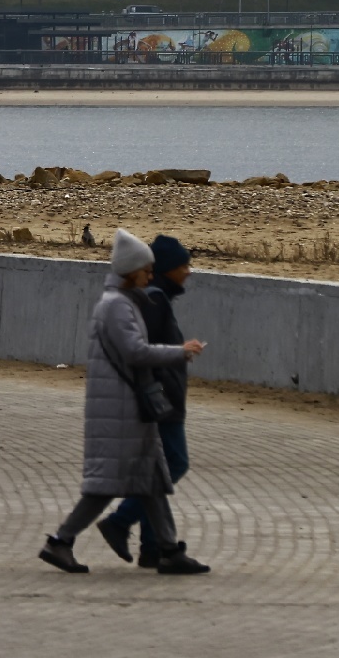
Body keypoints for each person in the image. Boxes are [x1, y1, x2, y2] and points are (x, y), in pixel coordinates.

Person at [38, 229, 210, 577]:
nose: (151, 275)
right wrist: (180, 352)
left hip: (126, 407)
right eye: (146, 270)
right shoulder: (116, 306)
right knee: (105, 488)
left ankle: (168, 549)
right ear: (132, 271)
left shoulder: (122, 303)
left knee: (152, 477)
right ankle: (61, 541)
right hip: (121, 409)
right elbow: (135, 352)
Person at [96, 234, 193, 567]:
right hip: (162, 402)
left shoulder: (152, 298)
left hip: (162, 399)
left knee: (160, 469)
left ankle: (154, 548)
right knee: (174, 465)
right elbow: (141, 352)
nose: (189, 272)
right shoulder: (154, 302)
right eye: (183, 266)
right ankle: (120, 521)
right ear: (166, 270)